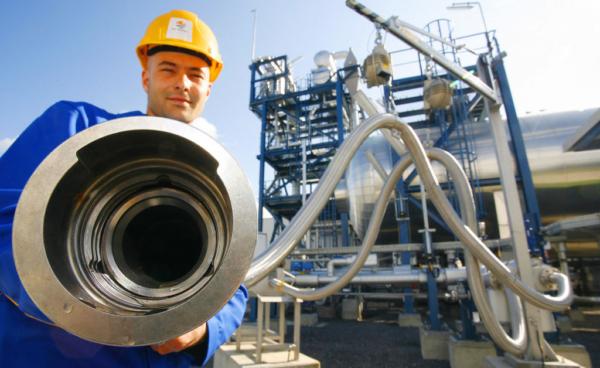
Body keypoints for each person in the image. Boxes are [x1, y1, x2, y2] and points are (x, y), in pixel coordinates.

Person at [0, 9, 247, 367]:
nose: (182, 83)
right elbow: (6, 217)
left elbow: (236, 283)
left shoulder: (222, 179)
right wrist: (96, 297)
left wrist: (204, 328)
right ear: (145, 77)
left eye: (195, 74)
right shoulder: (77, 128)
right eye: (168, 69)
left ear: (209, 87)